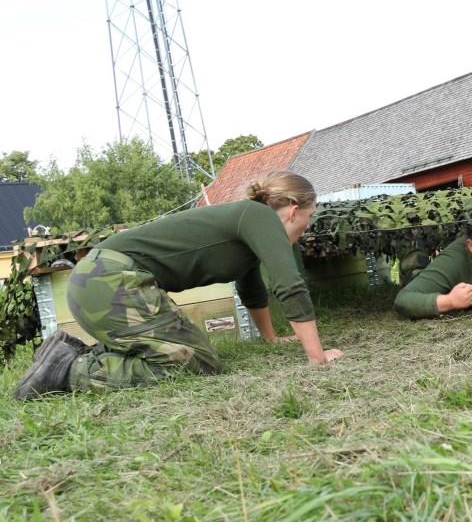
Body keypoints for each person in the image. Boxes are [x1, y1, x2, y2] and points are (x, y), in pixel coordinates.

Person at [14, 171, 342, 399]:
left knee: (183, 356)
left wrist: (270, 339)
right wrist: (317, 357)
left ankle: (68, 354)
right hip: (113, 280)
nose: (307, 225)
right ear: (294, 211)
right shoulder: (261, 217)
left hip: (97, 279)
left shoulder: (246, 224)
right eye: (309, 216)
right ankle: (69, 371)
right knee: (194, 363)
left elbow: (252, 288)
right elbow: (290, 285)